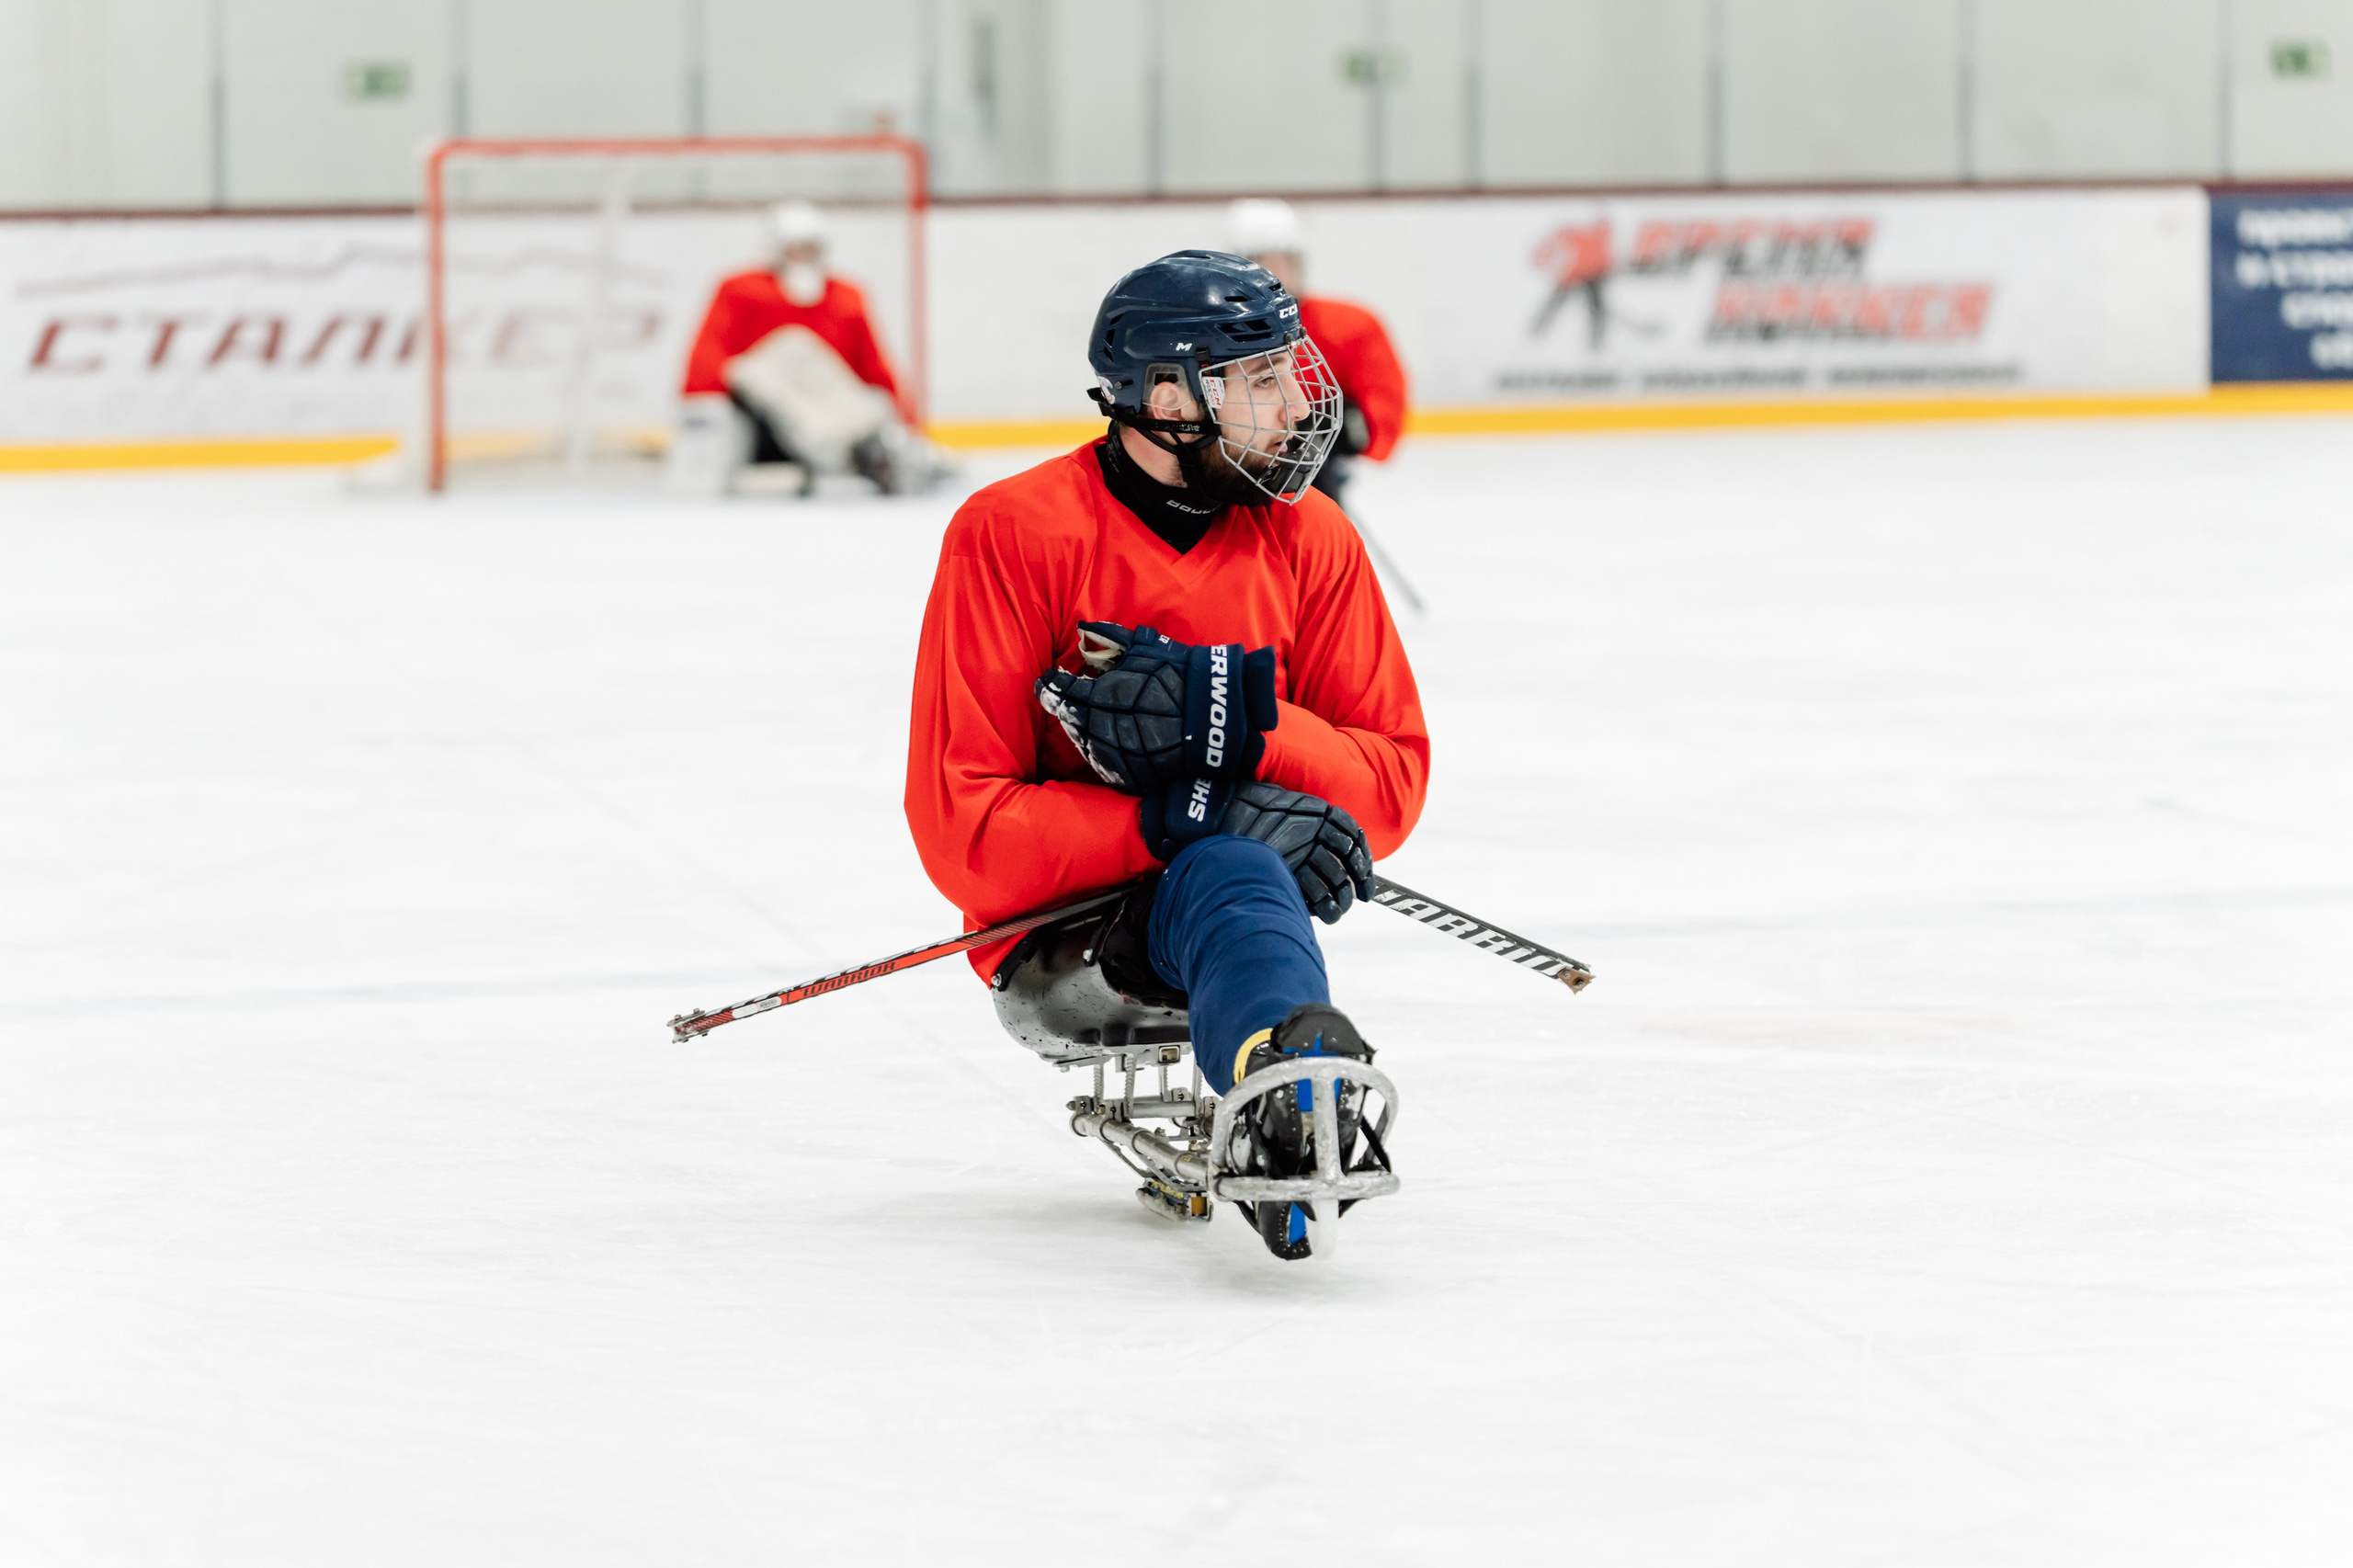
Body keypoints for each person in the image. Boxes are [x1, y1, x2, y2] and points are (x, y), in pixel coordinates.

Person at [904, 250, 1429, 1260]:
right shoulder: (1011, 533)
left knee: (1231, 871)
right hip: (1056, 933)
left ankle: (1289, 1079)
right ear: (1164, 396)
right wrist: (1188, 814)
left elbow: (1390, 786)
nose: (1295, 404)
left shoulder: (1311, 537)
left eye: (1292, 370)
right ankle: (1286, 1090)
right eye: (1260, 379)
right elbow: (961, 832)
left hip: (1225, 910)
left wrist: (1245, 720)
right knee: (1232, 860)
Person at [665, 199, 945, 495]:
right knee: (791, 348)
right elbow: (709, 357)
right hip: (764, 418)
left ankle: (882, 449)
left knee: (812, 363)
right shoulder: (741, 290)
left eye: (809, 247)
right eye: (793, 247)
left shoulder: (846, 297)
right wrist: (703, 416)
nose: (802, 256)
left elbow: (875, 365)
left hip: (831, 407)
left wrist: (908, 422)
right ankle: (854, 450)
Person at [1228, 198, 1408, 511]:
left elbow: (1383, 401)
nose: (1277, 272)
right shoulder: (1216, 330)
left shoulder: (1350, 324)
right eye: (1263, 261)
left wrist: (1350, 433)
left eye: (1287, 260)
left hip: (1319, 480)